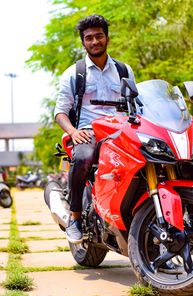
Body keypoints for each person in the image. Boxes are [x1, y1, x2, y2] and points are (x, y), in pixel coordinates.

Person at [54, 14, 135, 244]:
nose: (94, 41)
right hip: (89, 132)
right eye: (89, 38)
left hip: (121, 132)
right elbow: (60, 111)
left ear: (107, 38)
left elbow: (137, 105)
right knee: (83, 158)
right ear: (83, 43)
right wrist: (73, 132)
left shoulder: (124, 70)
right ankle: (75, 217)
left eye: (99, 36)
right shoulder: (74, 73)